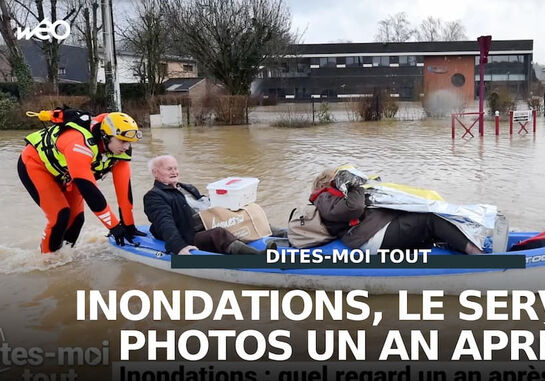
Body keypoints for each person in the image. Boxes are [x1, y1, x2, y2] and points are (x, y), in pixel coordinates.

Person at [17, 108, 145, 253]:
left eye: (129, 142)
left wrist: (129, 226)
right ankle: (47, 263)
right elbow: (91, 193)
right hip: (35, 165)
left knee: (77, 220)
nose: (127, 147)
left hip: (68, 173)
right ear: (106, 136)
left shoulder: (122, 147)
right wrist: (114, 227)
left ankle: (66, 258)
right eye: (122, 141)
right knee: (60, 216)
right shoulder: (79, 144)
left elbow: (124, 191)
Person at [310, 168, 482, 254]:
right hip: (371, 239)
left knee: (423, 212)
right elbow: (355, 208)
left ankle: (460, 241)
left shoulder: (331, 199)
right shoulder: (325, 199)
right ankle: (477, 255)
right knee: (429, 219)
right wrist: (355, 185)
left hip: (374, 231)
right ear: (326, 184)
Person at [143, 155, 280, 255]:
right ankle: (258, 257)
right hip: (189, 233)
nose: (174, 172)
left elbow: (207, 203)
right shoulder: (154, 196)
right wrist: (179, 247)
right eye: (169, 169)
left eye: (175, 168)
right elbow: (165, 223)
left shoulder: (187, 187)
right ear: (155, 173)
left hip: (208, 221)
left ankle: (287, 235)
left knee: (248, 214)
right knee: (219, 233)